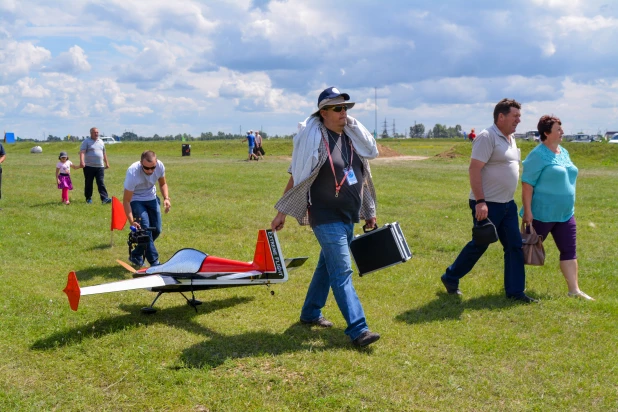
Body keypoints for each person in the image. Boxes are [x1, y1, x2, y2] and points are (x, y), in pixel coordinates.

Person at [271, 87, 381, 347]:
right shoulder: (314, 141)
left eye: (346, 108)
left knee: (326, 267)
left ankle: (310, 313)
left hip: (348, 215)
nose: (344, 113)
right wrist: (281, 213)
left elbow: (362, 177)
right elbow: (297, 177)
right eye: (338, 108)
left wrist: (370, 211)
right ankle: (358, 329)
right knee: (342, 270)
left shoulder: (352, 139)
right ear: (323, 112)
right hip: (324, 215)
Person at [440, 98, 538, 303]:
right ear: (500, 117)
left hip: (507, 204)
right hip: (487, 203)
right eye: (515, 116)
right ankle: (451, 277)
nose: (519, 120)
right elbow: (474, 169)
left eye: (519, 116)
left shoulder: (511, 138)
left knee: (514, 246)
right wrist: (480, 201)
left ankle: (515, 292)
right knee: (480, 244)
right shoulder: (487, 137)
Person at [521, 115, 593, 300]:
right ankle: (513, 288)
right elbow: (527, 184)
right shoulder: (537, 155)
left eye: (561, 128)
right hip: (542, 214)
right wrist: (528, 212)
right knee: (523, 251)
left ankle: (574, 291)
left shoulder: (563, 152)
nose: (562, 132)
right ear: (546, 133)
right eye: (558, 129)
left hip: (566, 214)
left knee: (569, 251)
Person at [123, 150, 171, 267]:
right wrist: (131, 221)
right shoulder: (133, 173)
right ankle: (155, 263)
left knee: (157, 230)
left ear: (156, 163)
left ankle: (136, 254)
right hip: (136, 200)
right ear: (141, 163)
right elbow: (126, 200)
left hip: (152, 198)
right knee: (145, 231)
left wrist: (166, 198)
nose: (150, 171)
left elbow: (163, 183)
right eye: (146, 168)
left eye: (152, 167)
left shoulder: (159, 166)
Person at [79, 127, 111, 204]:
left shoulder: (101, 141)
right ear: (91, 133)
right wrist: (82, 161)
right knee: (89, 182)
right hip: (89, 166)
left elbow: (104, 153)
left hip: (100, 166)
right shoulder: (86, 142)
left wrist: (107, 163)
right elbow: (82, 152)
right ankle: (88, 198)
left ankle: (104, 198)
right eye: (94, 132)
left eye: (97, 132)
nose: (96, 134)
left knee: (101, 182)